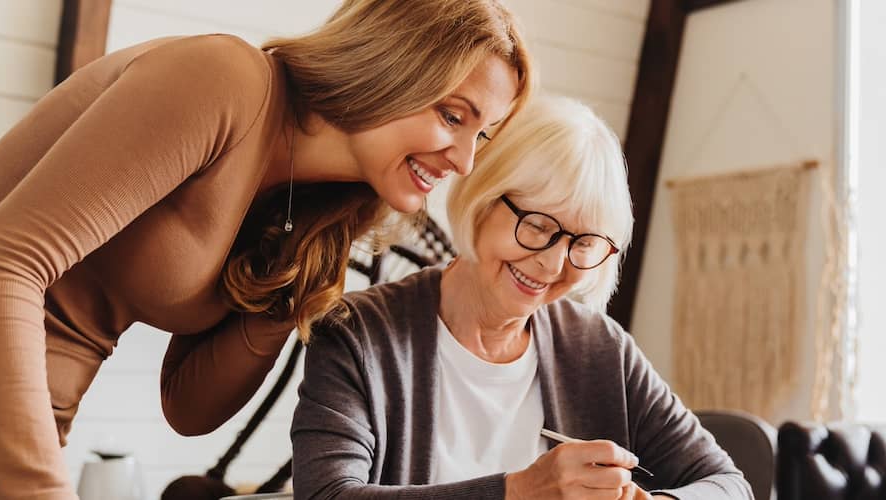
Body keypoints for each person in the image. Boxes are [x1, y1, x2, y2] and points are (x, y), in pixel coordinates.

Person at [0, 0, 533, 496]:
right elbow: (2, 263)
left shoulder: (318, 214)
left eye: (481, 136)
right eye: (453, 116)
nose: (464, 160)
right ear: (389, 69)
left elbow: (188, 408)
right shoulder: (225, 78)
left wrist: (291, 292)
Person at [291, 95, 754, 500]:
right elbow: (327, 494)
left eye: (584, 243)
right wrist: (518, 493)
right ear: (482, 199)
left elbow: (729, 483)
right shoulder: (357, 333)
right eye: (536, 226)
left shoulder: (599, 349)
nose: (553, 266)